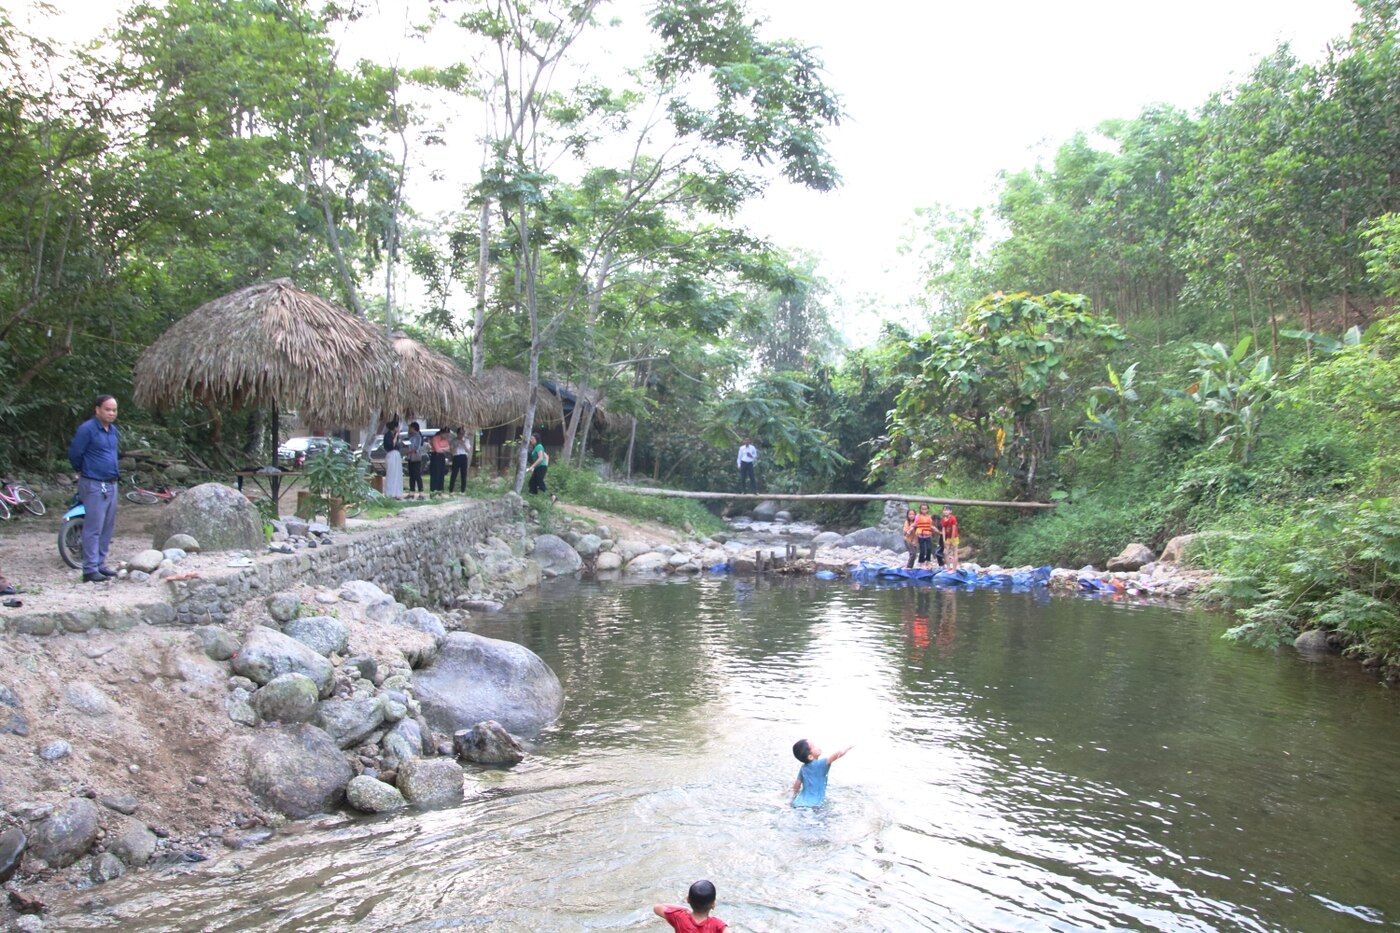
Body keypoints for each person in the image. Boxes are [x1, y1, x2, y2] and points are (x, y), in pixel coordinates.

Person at [67, 394, 121, 584]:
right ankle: (89, 568)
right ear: (97, 409)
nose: (111, 413)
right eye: (108, 409)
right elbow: (75, 453)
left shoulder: (113, 431)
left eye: (114, 410)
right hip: (94, 483)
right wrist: (83, 471)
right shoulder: (87, 429)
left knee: (107, 525)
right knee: (94, 526)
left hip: (112, 483)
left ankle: (100, 563)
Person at [790, 738, 853, 808]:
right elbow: (839, 753)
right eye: (814, 746)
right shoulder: (821, 764)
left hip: (799, 802)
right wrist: (848, 747)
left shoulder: (803, 768)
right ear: (810, 756)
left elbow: (796, 786)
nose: (817, 747)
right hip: (815, 805)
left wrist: (792, 799)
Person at [653, 880, 726, 933]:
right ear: (713, 905)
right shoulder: (717, 924)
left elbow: (657, 907)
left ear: (688, 899)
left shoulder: (679, 916)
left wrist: (685, 909)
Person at [382, 417, 404, 499]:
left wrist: (397, 436)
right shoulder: (387, 435)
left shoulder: (396, 435)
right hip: (391, 454)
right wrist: (396, 436)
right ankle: (390, 493)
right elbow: (391, 445)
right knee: (391, 473)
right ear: (394, 428)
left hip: (397, 455)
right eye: (397, 427)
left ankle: (397, 493)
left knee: (397, 474)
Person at [526, 433, 550, 498]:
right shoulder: (536, 447)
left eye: (532, 439)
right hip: (539, 467)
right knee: (532, 482)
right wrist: (545, 466)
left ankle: (551, 496)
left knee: (539, 482)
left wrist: (532, 467)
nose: (531, 440)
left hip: (541, 467)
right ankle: (533, 496)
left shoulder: (539, 446)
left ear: (536, 439)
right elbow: (546, 456)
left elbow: (541, 458)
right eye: (530, 439)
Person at [405, 422, 425, 499]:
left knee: (417, 475)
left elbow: (417, 447)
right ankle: (411, 492)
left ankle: (421, 492)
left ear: (414, 428)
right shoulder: (410, 436)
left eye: (410, 428)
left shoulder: (418, 436)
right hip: (410, 457)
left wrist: (409, 451)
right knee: (411, 475)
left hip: (416, 457)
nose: (409, 429)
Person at [428, 427, 450, 494]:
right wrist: (444, 449)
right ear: (441, 433)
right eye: (446, 434)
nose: (447, 436)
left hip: (442, 457)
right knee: (435, 473)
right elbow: (437, 450)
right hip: (435, 456)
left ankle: (440, 490)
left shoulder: (446, 440)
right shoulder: (435, 438)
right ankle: (433, 490)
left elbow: (448, 448)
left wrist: (442, 449)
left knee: (441, 473)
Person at [914, 503, 937, 568]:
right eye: (922, 509)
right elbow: (915, 524)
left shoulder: (929, 517)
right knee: (922, 550)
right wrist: (910, 529)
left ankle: (928, 561)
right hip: (920, 535)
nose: (924, 510)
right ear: (920, 509)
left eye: (925, 509)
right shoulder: (917, 516)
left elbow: (931, 525)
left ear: (927, 509)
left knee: (929, 549)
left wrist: (935, 529)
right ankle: (921, 562)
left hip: (928, 535)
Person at [448, 427, 470, 494]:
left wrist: (463, 444)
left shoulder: (466, 440)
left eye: (463, 433)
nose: (461, 435)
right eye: (460, 433)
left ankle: (463, 490)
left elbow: (468, 450)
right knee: (454, 473)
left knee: (464, 474)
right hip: (456, 457)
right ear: (457, 434)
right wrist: (457, 445)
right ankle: (451, 490)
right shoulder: (453, 440)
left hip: (463, 457)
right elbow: (451, 451)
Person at [941, 505, 961, 570]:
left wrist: (952, 540)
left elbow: (954, 529)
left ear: (950, 511)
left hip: (954, 537)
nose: (945, 511)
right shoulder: (943, 519)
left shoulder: (953, 518)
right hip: (948, 538)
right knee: (945, 552)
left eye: (947, 510)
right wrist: (944, 539)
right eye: (944, 510)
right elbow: (943, 529)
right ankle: (948, 567)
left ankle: (954, 569)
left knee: (954, 552)